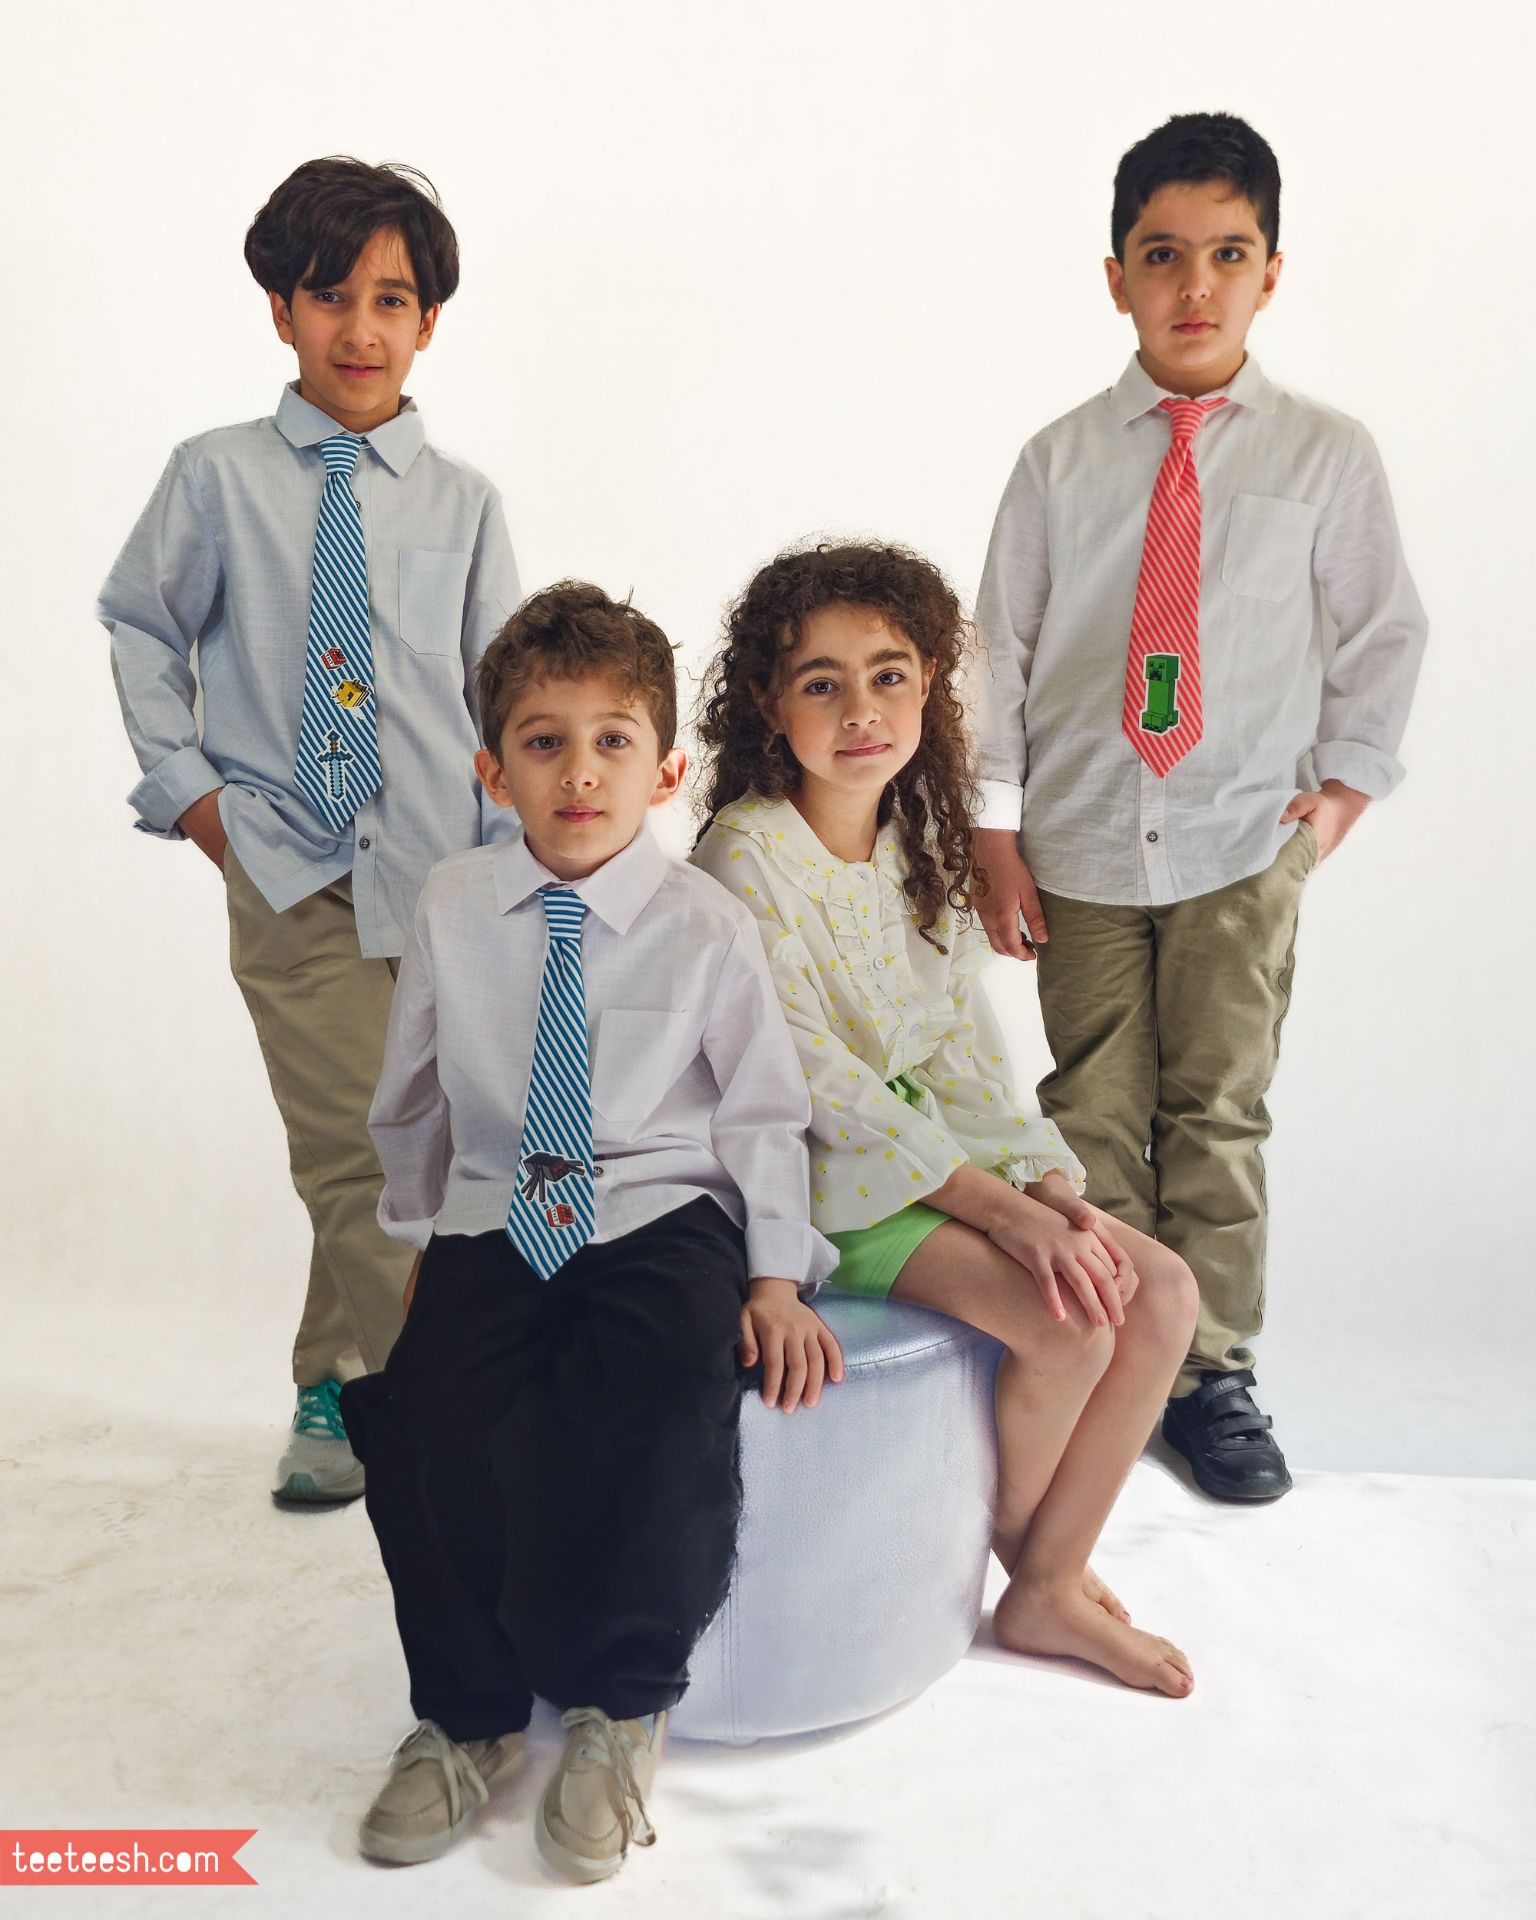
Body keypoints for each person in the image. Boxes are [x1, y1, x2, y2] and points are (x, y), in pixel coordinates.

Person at [343, 583, 839, 1881]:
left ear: (665, 769)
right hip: (501, 1200)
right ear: (492, 770)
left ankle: (623, 1706)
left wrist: (776, 1279)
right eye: (544, 741)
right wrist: (421, 1240)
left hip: (661, 1204)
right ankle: (467, 1717)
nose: (580, 772)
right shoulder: (452, 905)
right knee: (423, 1413)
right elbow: (412, 1091)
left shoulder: (706, 924)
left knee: (665, 1392)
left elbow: (764, 1114)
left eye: (614, 740)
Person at [971, 113, 1427, 1500]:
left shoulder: (1326, 455)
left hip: (1242, 839)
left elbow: (1384, 633)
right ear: (1116, 276)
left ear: (1271, 274)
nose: (1196, 285)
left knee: (1218, 1108)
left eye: (1228, 254)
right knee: (1093, 1109)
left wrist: (1337, 801)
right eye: (1163, 255)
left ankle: (1210, 1370)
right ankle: (1114, 1350)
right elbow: (997, 653)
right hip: (1084, 841)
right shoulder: (1060, 461)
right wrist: (993, 833)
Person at [693, 541, 1200, 1699]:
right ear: (770, 702)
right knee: (1069, 1325)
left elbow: (961, 1046)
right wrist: (998, 1216)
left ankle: (1049, 1573)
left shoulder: (920, 843)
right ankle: (1041, 1576)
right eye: (821, 682)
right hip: (820, 1174)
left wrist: (1044, 1188)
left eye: (889, 676)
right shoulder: (745, 855)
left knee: (1163, 1293)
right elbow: (813, 1080)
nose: (860, 711)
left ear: (928, 686)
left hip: (936, 1156)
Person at [95, 158, 522, 1503]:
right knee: (355, 1150)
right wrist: (192, 793)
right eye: (329, 296)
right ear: (281, 310)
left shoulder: (463, 502)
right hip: (290, 868)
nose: (359, 328)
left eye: (390, 300)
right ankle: (429, 1425)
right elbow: (140, 623)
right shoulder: (215, 477)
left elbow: (502, 692)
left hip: (441, 875)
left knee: (431, 1138)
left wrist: (521, 865)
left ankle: (336, 1371)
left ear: (430, 322)